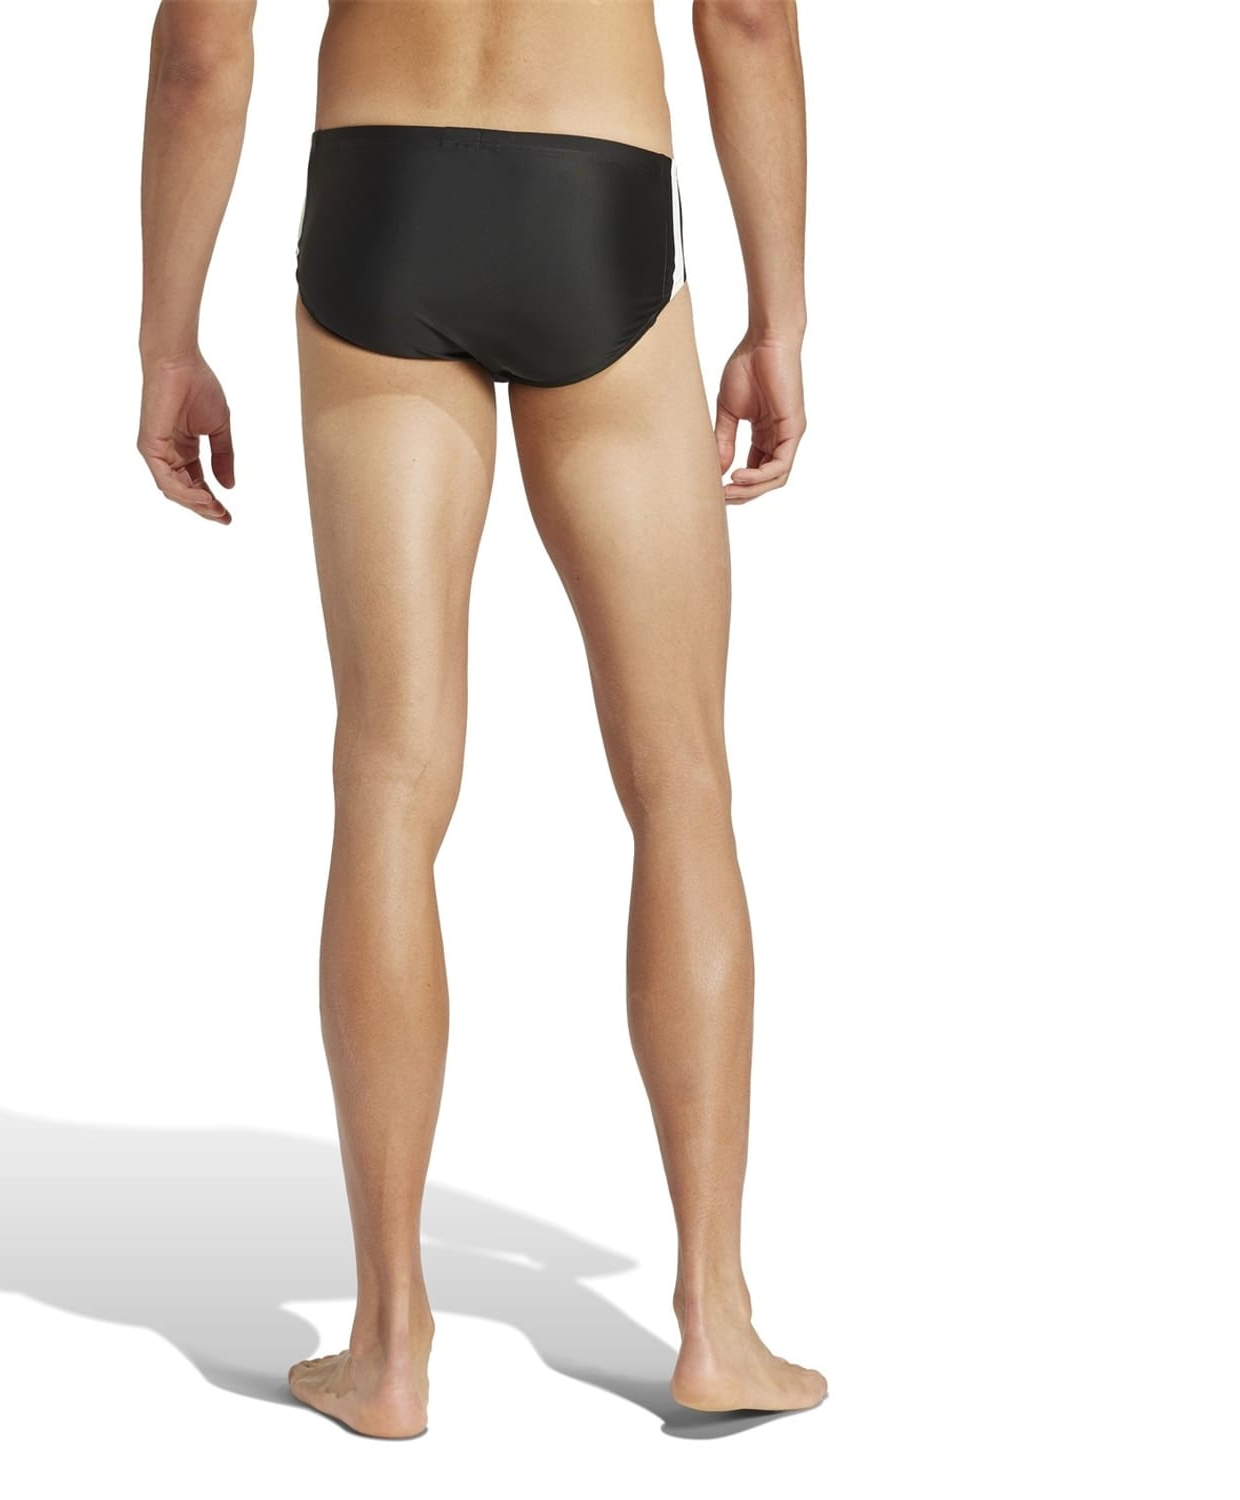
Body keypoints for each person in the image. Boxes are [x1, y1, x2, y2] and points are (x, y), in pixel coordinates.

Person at [137, 0, 822, 1439]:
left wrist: (166, 339)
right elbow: (749, 20)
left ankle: (388, 1343)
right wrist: (780, 318)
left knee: (390, 779)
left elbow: (202, 50)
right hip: (596, 197)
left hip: (380, 201)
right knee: (682, 782)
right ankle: (716, 1317)